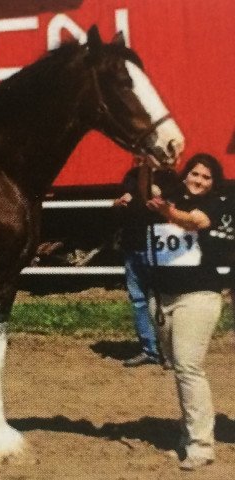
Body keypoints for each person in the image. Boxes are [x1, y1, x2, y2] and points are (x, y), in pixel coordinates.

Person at [146, 153, 224, 471]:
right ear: (184, 174)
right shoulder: (168, 195)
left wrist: (168, 212)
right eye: (195, 174)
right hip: (161, 296)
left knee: (189, 368)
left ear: (213, 184)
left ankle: (201, 446)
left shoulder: (215, 205)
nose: (199, 181)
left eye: (206, 177)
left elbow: (197, 222)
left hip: (199, 296)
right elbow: (145, 189)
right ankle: (186, 436)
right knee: (176, 365)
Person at [114, 159, 177, 367]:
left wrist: (149, 183)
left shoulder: (170, 178)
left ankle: (167, 352)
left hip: (158, 247)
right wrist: (118, 203)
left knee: (161, 299)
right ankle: (148, 349)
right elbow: (124, 205)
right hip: (132, 245)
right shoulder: (130, 176)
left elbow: (158, 197)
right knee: (138, 299)